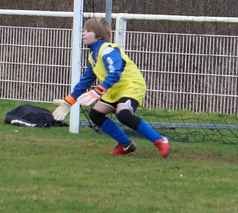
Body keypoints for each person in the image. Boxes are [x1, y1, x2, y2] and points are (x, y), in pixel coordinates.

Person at [63, 18, 170, 157]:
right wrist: (70, 100)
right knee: (95, 114)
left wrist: (98, 90)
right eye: (84, 30)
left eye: (88, 31)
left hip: (130, 85)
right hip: (114, 89)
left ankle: (160, 141)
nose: (83, 33)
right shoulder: (93, 55)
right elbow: (86, 80)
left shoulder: (108, 49)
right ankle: (126, 144)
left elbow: (115, 73)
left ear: (99, 35)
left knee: (123, 114)